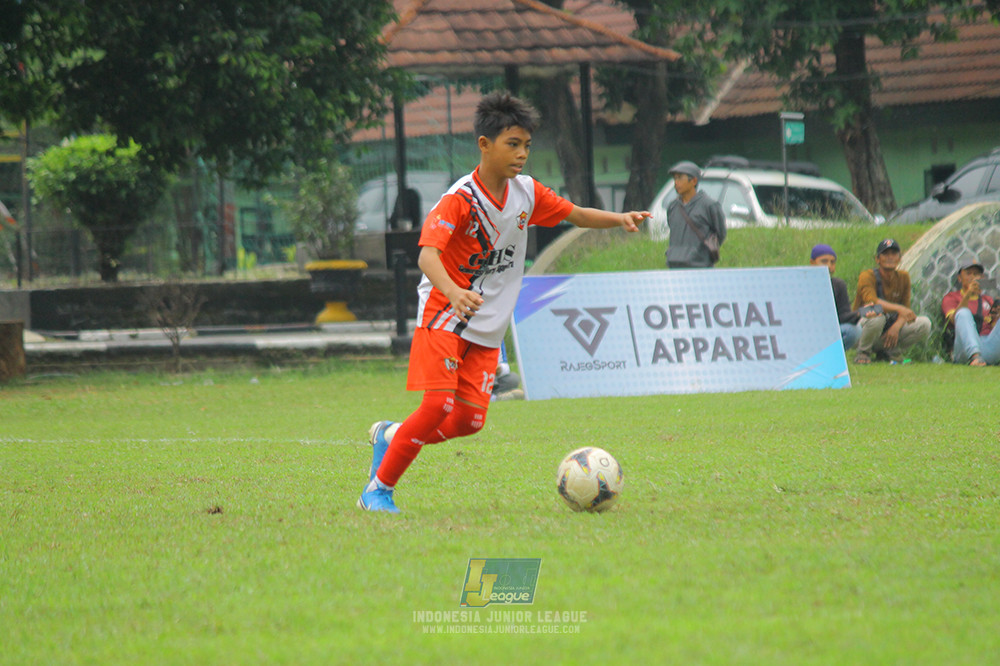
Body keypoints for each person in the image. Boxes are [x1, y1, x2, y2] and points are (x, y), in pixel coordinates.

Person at [358, 91, 649, 512]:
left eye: (527, 145)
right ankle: (377, 491)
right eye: (513, 144)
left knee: (469, 421)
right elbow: (427, 255)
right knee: (437, 405)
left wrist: (618, 220)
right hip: (445, 312)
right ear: (484, 145)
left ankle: (391, 435)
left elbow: (576, 213)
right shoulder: (461, 200)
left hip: (487, 326)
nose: (522, 154)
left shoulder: (526, 194)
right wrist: (455, 292)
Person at [852, 238, 932, 364]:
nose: (890, 257)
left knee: (924, 324)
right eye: (885, 254)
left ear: (899, 258)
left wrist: (896, 326)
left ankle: (889, 352)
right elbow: (872, 301)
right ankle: (863, 353)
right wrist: (899, 309)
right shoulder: (867, 276)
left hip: (887, 329)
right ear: (877, 259)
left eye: (894, 254)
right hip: (863, 327)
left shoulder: (903, 277)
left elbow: (906, 310)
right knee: (878, 316)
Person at [664, 161, 726, 269]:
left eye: (679, 178)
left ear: (693, 181)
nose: (676, 183)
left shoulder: (709, 206)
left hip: (700, 268)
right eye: (675, 178)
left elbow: (720, 233)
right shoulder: (672, 207)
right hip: (674, 267)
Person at [941, 255, 1000, 366]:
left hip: (987, 346)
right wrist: (968, 294)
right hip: (963, 349)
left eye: (976, 274)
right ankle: (975, 357)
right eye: (968, 274)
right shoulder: (951, 298)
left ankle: (981, 359)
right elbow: (954, 320)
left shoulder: (988, 300)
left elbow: (993, 329)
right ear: (959, 278)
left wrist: (996, 318)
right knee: (963, 313)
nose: (973, 277)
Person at [809, 243, 861, 350]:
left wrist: (858, 314)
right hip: (806, 330)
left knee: (854, 331)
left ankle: (828, 358)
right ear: (812, 263)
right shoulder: (801, 283)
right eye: (824, 261)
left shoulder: (838, 285)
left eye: (832, 262)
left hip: (828, 331)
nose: (829, 266)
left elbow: (842, 315)